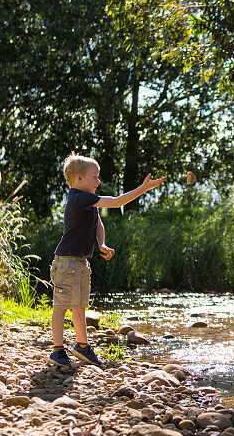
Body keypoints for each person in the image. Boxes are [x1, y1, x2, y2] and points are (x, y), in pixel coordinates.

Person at [48, 154, 165, 368]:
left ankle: (82, 346)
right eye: (96, 177)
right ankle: (57, 350)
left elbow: (98, 222)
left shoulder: (88, 201)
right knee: (61, 306)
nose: (98, 181)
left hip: (80, 262)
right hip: (66, 262)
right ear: (80, 178)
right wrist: (142, 189)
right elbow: (117, 202)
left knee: (80, 306)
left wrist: (101, 244)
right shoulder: (78, 198)